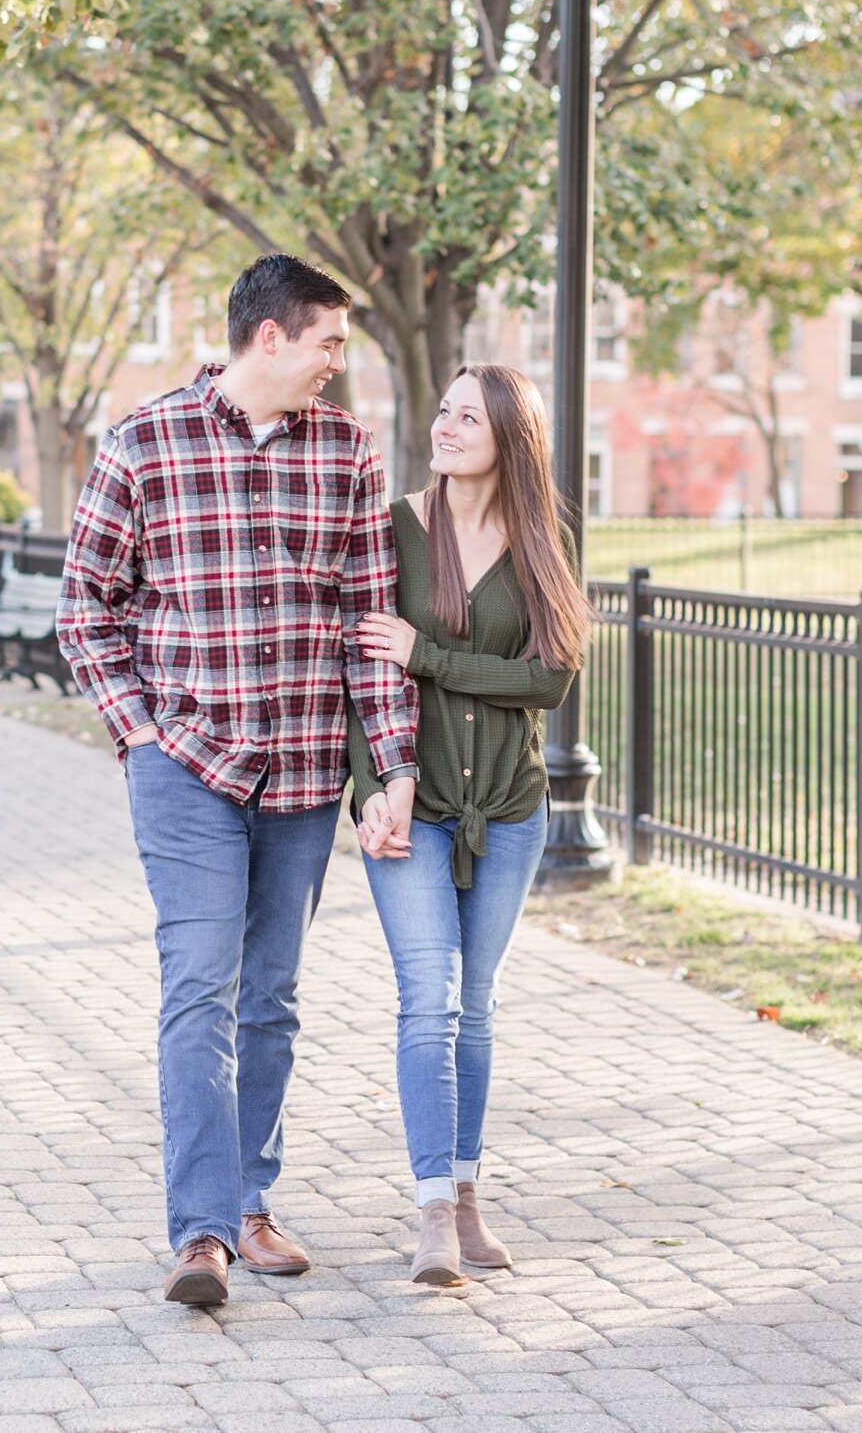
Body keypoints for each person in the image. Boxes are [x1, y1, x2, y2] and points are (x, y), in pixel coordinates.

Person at [57, 253, 418, 1307]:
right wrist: (143, 738)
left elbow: (369, 631)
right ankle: (201, 1233)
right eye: (329, 344)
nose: (337, 367)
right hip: (189, 768)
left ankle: (251, 1203)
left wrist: (389, 765)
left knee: (270, 1000)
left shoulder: (347, 452)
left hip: (304, 775)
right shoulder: (145, 441)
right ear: (271, 337)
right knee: (199, 989)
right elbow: (87, 611)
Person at [350, 363, 588, 1288]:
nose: (445, 426)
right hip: (417, 806)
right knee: (431, 998)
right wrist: (375, 784)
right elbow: (360, 667)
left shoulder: (538, 539)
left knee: (476, 1005)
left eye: (466, 417)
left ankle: (469, 1189)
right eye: (442, 411)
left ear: (508, 439)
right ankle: (432, 1215)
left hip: (511, 806)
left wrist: (433, 655)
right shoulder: (396, 526)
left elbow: (551, 678)